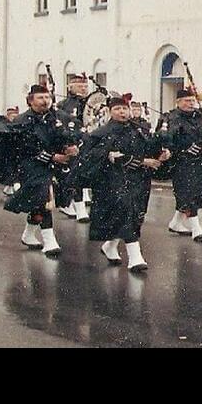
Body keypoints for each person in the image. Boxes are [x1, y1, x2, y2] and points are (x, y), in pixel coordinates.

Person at [78, 94, 170, 272]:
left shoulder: (138, 130)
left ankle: (110, 246)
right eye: (118, 109)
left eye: (124, 109)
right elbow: (110, 156)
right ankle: (135, 258)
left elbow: (149, 147)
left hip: (139, 180)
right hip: (113, 180)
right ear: (110, 112)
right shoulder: (103, 133)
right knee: (126, 211)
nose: (122, 112)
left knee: (136, 214)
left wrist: (162, 154)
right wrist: (143, 161)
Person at [3, 85, 79, 257]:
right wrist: (51, 156)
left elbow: (63, 135)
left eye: (47, 97)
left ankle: (28, 234)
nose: (45, 101)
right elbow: (24, 147)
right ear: (31, 101)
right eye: (40, 98)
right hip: (31, 165)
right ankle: (49, 241)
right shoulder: (21, 121)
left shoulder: (55, 118)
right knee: (44, 196)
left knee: (41, 201)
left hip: (54, 165)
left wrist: (70, 147)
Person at [160, 88, 202, 241]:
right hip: (182, 162)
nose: (191, 104)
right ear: (178, 102)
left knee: (199, 192)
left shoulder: (201, 116)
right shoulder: (171, 118)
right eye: (187, 101)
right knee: (187, 192)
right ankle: (196, 228)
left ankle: (176, 223)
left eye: (192, 100)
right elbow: (170, 138)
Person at [55, 74, 92, 221]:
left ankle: (73, 202)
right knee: (72, 175)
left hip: (90, 142)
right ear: (70, 87)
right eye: (79, 86)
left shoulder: (91, 103)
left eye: (85, 86)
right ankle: (78, 207)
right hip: (73, 143)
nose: (83, 88)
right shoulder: (64, 105)